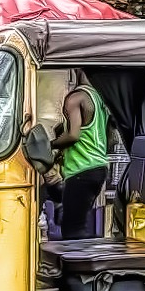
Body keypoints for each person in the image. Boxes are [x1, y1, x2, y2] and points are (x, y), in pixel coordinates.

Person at [48, 69, 109, 240]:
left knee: (73, 230)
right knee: (76, 222)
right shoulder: (98, 98)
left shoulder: (76, 98)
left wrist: (50, 145)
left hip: (81, 169)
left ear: (75, 68)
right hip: (98, 168)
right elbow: (109, 137)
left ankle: (90, 263)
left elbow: (73, 135)